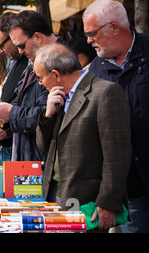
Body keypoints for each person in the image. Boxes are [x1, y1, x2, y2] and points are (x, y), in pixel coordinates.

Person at [34, 43, 131, 231]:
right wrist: (48, 115)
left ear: (55, 75)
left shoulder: (105, 92)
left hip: (86, 201)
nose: (40, 83)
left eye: (40, 78)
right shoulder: (59, 97)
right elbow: (46, 149)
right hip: (55, 195)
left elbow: (117, 156)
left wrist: (107, 203)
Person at [82, 0, 149, 233]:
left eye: (92, 33)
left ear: (113, 27)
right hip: (130, 185)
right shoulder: (96, 69)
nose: (88, 40)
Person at [0, 12, 28, 161]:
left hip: (21, 147)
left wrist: (9, 131)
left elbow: (39, 112)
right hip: (11, 144)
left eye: (1, 45)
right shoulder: (14, 61)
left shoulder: (31, 61)